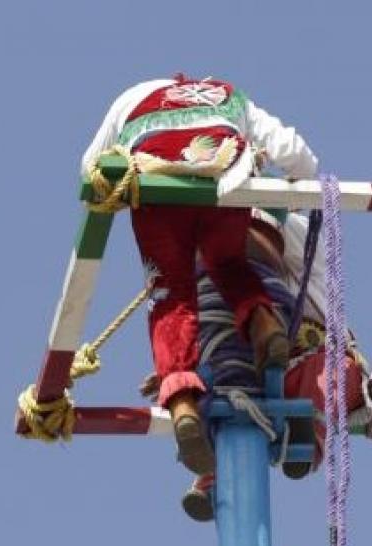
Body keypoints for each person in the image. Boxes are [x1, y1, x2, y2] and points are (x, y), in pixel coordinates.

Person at [82, 75, 319, 476]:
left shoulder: (131, 97)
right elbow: (294, 152)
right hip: (224, 179)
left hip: (159, 186)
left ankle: (183, 404)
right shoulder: (232, 95)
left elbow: (92, 170)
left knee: (170, 295)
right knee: (228, 264)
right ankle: (263, 323)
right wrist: (297, 187)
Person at [175, 209, 372, 521]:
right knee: (222, 377)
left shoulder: (303, 239)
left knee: (330, 375)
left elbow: (270, 234)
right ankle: (213, 470)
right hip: (266, 364)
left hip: (312, 358)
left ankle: (305, 436)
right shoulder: (257, 278)